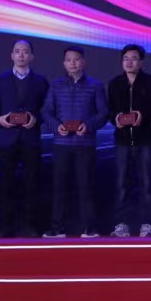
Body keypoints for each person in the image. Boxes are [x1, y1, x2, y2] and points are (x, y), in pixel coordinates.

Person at [41, 45, 108, 238]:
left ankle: (89, 227)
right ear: (64, 63)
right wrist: (57, 126)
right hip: (61, 145)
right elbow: (46, 111)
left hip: (84, 145)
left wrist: (88, 125)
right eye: (69, 60)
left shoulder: (95, 85)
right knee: (59, 188)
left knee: (86, 187)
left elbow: (104, 113)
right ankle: (57, 228)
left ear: (84, 62)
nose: (73, 63)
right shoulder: (56, 85)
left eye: (77, 59)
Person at [0, 39, 50, 237]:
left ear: (32, 56)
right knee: (5, 185)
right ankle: (6, 227)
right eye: (17, 51)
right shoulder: (0, 80)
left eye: (25, 51)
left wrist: (36, 119)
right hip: (7, 139)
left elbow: (47, 110)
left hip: (30, 139)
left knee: (32, 184)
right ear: (12, 55)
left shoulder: (41, 81)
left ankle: (31, 226)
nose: (21, 55)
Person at [106, 44, 151, 238]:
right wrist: (115, 118)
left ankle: (147, 224)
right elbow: (109, 110)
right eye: (126, 58)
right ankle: (122, 224)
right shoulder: (115, 83)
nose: (129, 62)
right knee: (122, 184)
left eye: (134, 58)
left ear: (142, 62)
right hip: (122, 141)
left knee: (147, 184)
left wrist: (142, 116)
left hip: (145, 140)